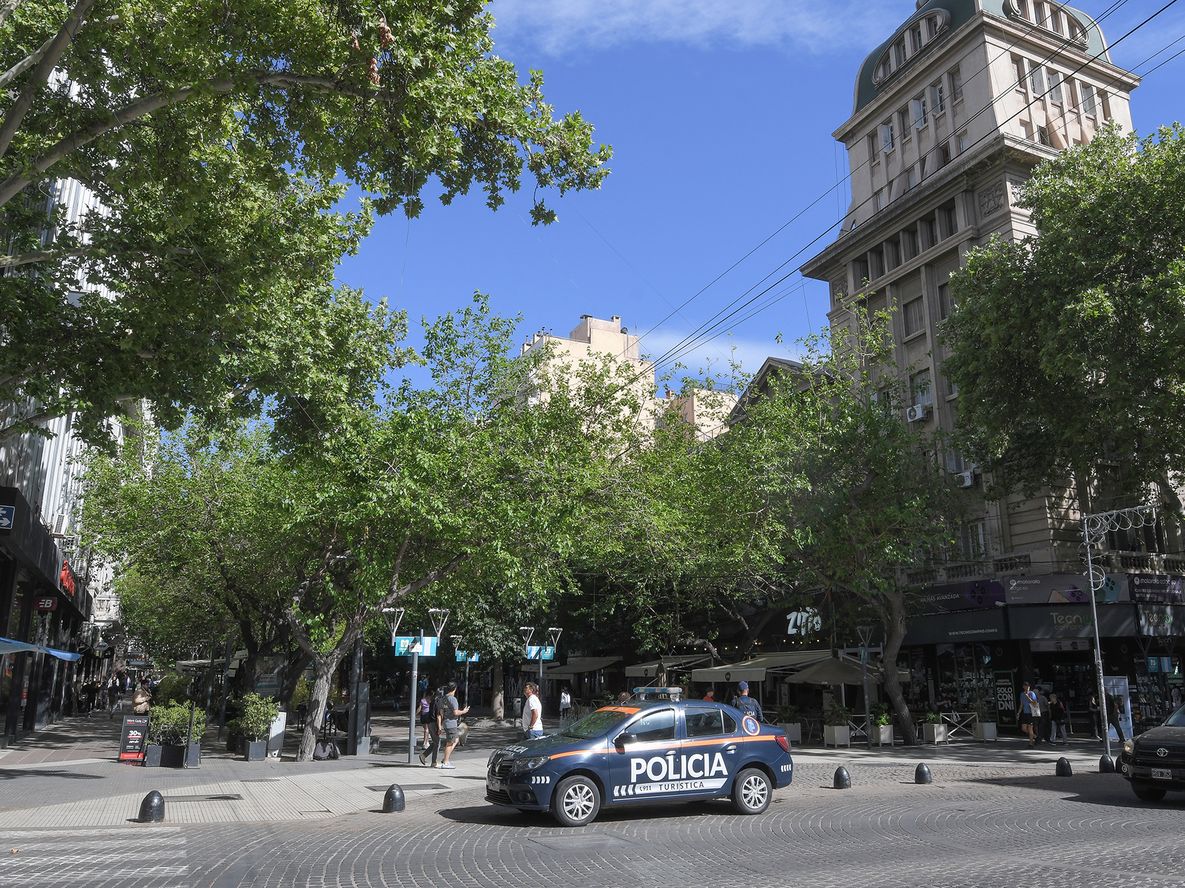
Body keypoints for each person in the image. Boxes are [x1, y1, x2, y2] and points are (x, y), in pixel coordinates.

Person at [439, 681, 471, 770]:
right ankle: (445, 762)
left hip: (446, 721)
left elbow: (441, 711)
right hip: (451, 723)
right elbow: (456, 712)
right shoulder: (453, 699)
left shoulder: (443, 698)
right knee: (450, 743)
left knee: (456, 740)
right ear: (455, 689)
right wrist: (464, 711)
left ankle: (445, 758)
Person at [420, 686, 446, 767]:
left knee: (436, 742)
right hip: (434, 723)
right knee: (437, 743)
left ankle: (424, 755)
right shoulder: (438, 701)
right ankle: (434, 762)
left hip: (430, 723)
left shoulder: (433, 700)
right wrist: (439, 727)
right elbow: (438, 715)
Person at [1017, 681, 1038, 746]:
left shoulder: (1032, 693)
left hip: (1031, 713)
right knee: (1023, 728)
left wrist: (1028, 696)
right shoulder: (1022, 694)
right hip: (1025, 713)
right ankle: (1035, 736)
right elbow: (1021, 704)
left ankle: (1031, 743)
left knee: (1030, 728)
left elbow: (1034, 703)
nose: (1027, 687)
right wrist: (1019, 713)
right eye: (1025, 686)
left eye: (1028, 686)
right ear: (1023, 687)